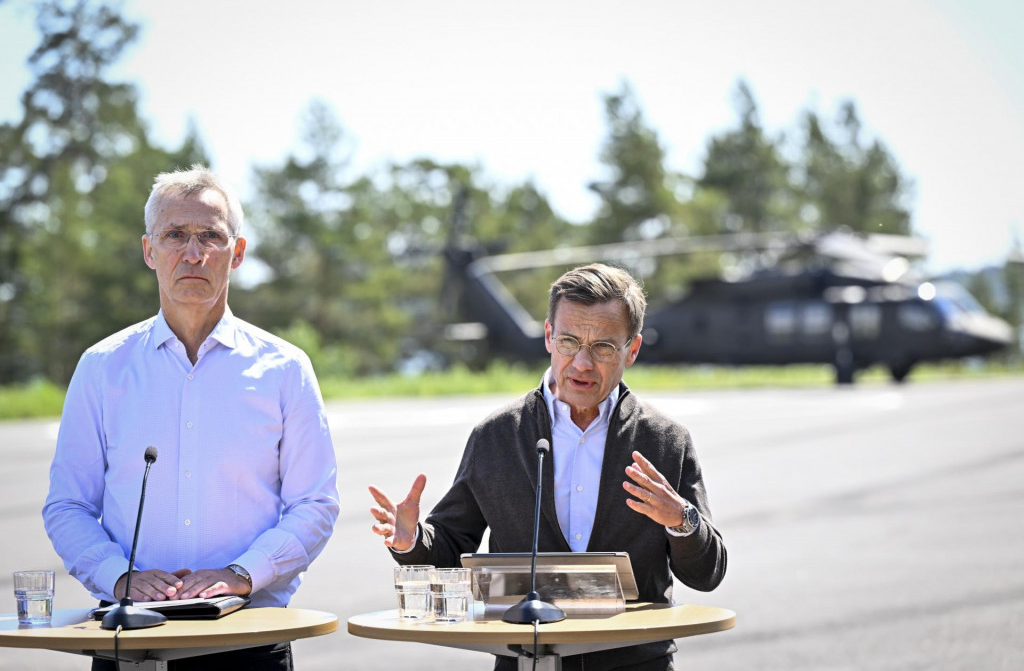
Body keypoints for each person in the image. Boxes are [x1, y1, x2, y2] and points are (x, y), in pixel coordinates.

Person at [43, 165, 340, 671]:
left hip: (248, 639)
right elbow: (68, 505)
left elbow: (314, 504)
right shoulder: (101, 368)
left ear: (237, 253)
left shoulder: (286, 369)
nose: (193, 253)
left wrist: (243, 573)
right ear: (148, 251)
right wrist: (118, 576)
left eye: (211, 236)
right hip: (131, 638)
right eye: (175, 235)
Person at [369, 263, 727, 671]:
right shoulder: (496, 436)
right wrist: (411, 539)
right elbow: (450, 546)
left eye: (604, 347)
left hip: (635, 663)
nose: (582, 364)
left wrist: (681, 520)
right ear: (547, 337)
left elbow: (708, 573)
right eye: (569, 342)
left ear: (633, 349)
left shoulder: (665, 441)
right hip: (526, 661)